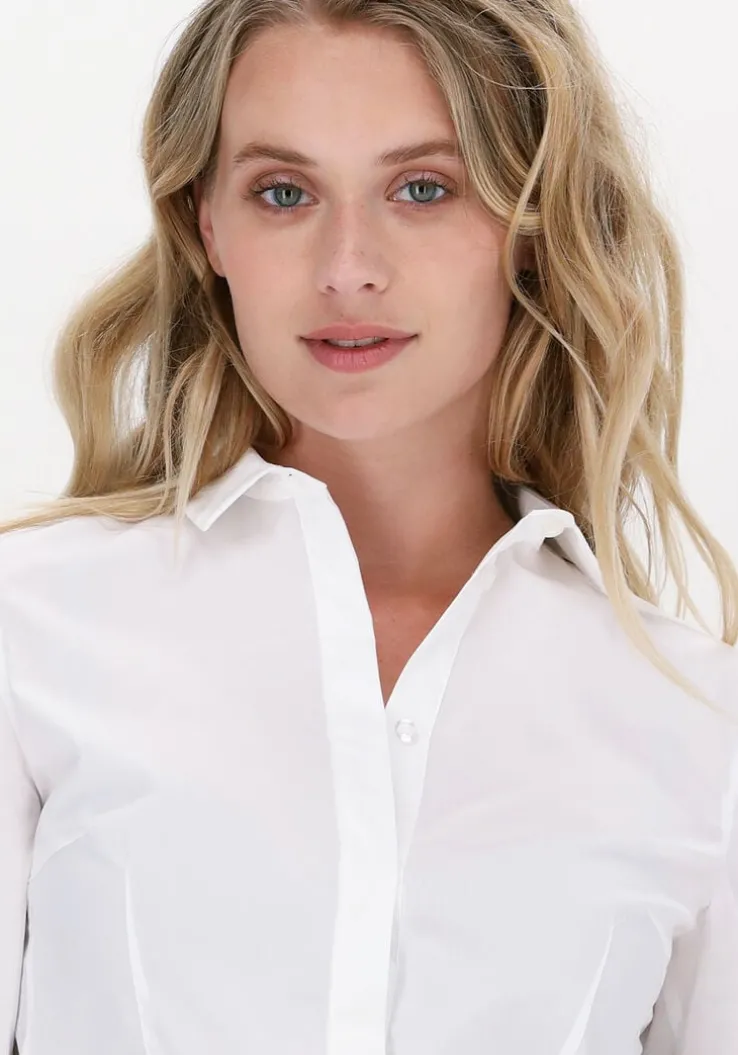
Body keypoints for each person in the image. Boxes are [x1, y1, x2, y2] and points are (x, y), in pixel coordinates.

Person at [1, 0, 737, 1052]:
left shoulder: (694, 722)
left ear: (532, 225)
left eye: (423, 188)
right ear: (208, 226)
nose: (347, 266)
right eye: (284, 192)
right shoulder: (31, 631)